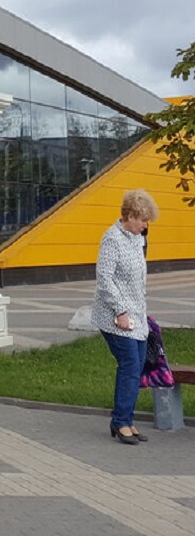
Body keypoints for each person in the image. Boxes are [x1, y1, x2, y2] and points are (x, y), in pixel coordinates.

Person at [92, 189, 159, 445]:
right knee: (130, 365)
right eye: (143, 220)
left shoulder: (136, 239)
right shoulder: (112, 239)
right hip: (114, 316)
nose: (145, 226)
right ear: (130, 216)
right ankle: (120, 421)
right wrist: (120, 310)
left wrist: (140, 311)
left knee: (138, 365)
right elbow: (104, 279)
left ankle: (127, 419)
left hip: (135, 316)